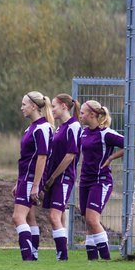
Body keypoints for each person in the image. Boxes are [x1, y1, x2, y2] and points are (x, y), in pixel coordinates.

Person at [77, 100, 124, 260]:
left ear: (92, 115)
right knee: (87, 221)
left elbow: (129, 144)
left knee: (92, 219)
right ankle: (92, 260)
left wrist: (111, 157)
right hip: (85, 181)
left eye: (82, 113)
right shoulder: (84, 132)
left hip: (101, 181)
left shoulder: (106, 133)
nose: (80, 116)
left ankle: (106, 258)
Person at [13, 91, 53, 261]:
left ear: (34, 106)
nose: (21, 107)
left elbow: (42, 157)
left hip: (31, 179)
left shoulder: (42, 128)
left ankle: (27, 256)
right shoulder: (31, 127)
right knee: (29, 217)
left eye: (24, 104)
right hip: (25, 178)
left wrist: (36, 185)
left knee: (17, 217)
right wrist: (18, 181)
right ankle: (33, 255)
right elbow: (26, 159)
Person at [41, 93, 82, 261]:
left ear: (64, 106)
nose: (52, 110)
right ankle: (63, 252)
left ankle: (62, 256)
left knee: (54, 216)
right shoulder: (60, 127)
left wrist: (52, 178)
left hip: (63, 178)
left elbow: (70, 156)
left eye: (54, 106)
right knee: (60, 215)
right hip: (54, 178)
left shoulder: (74, 126)